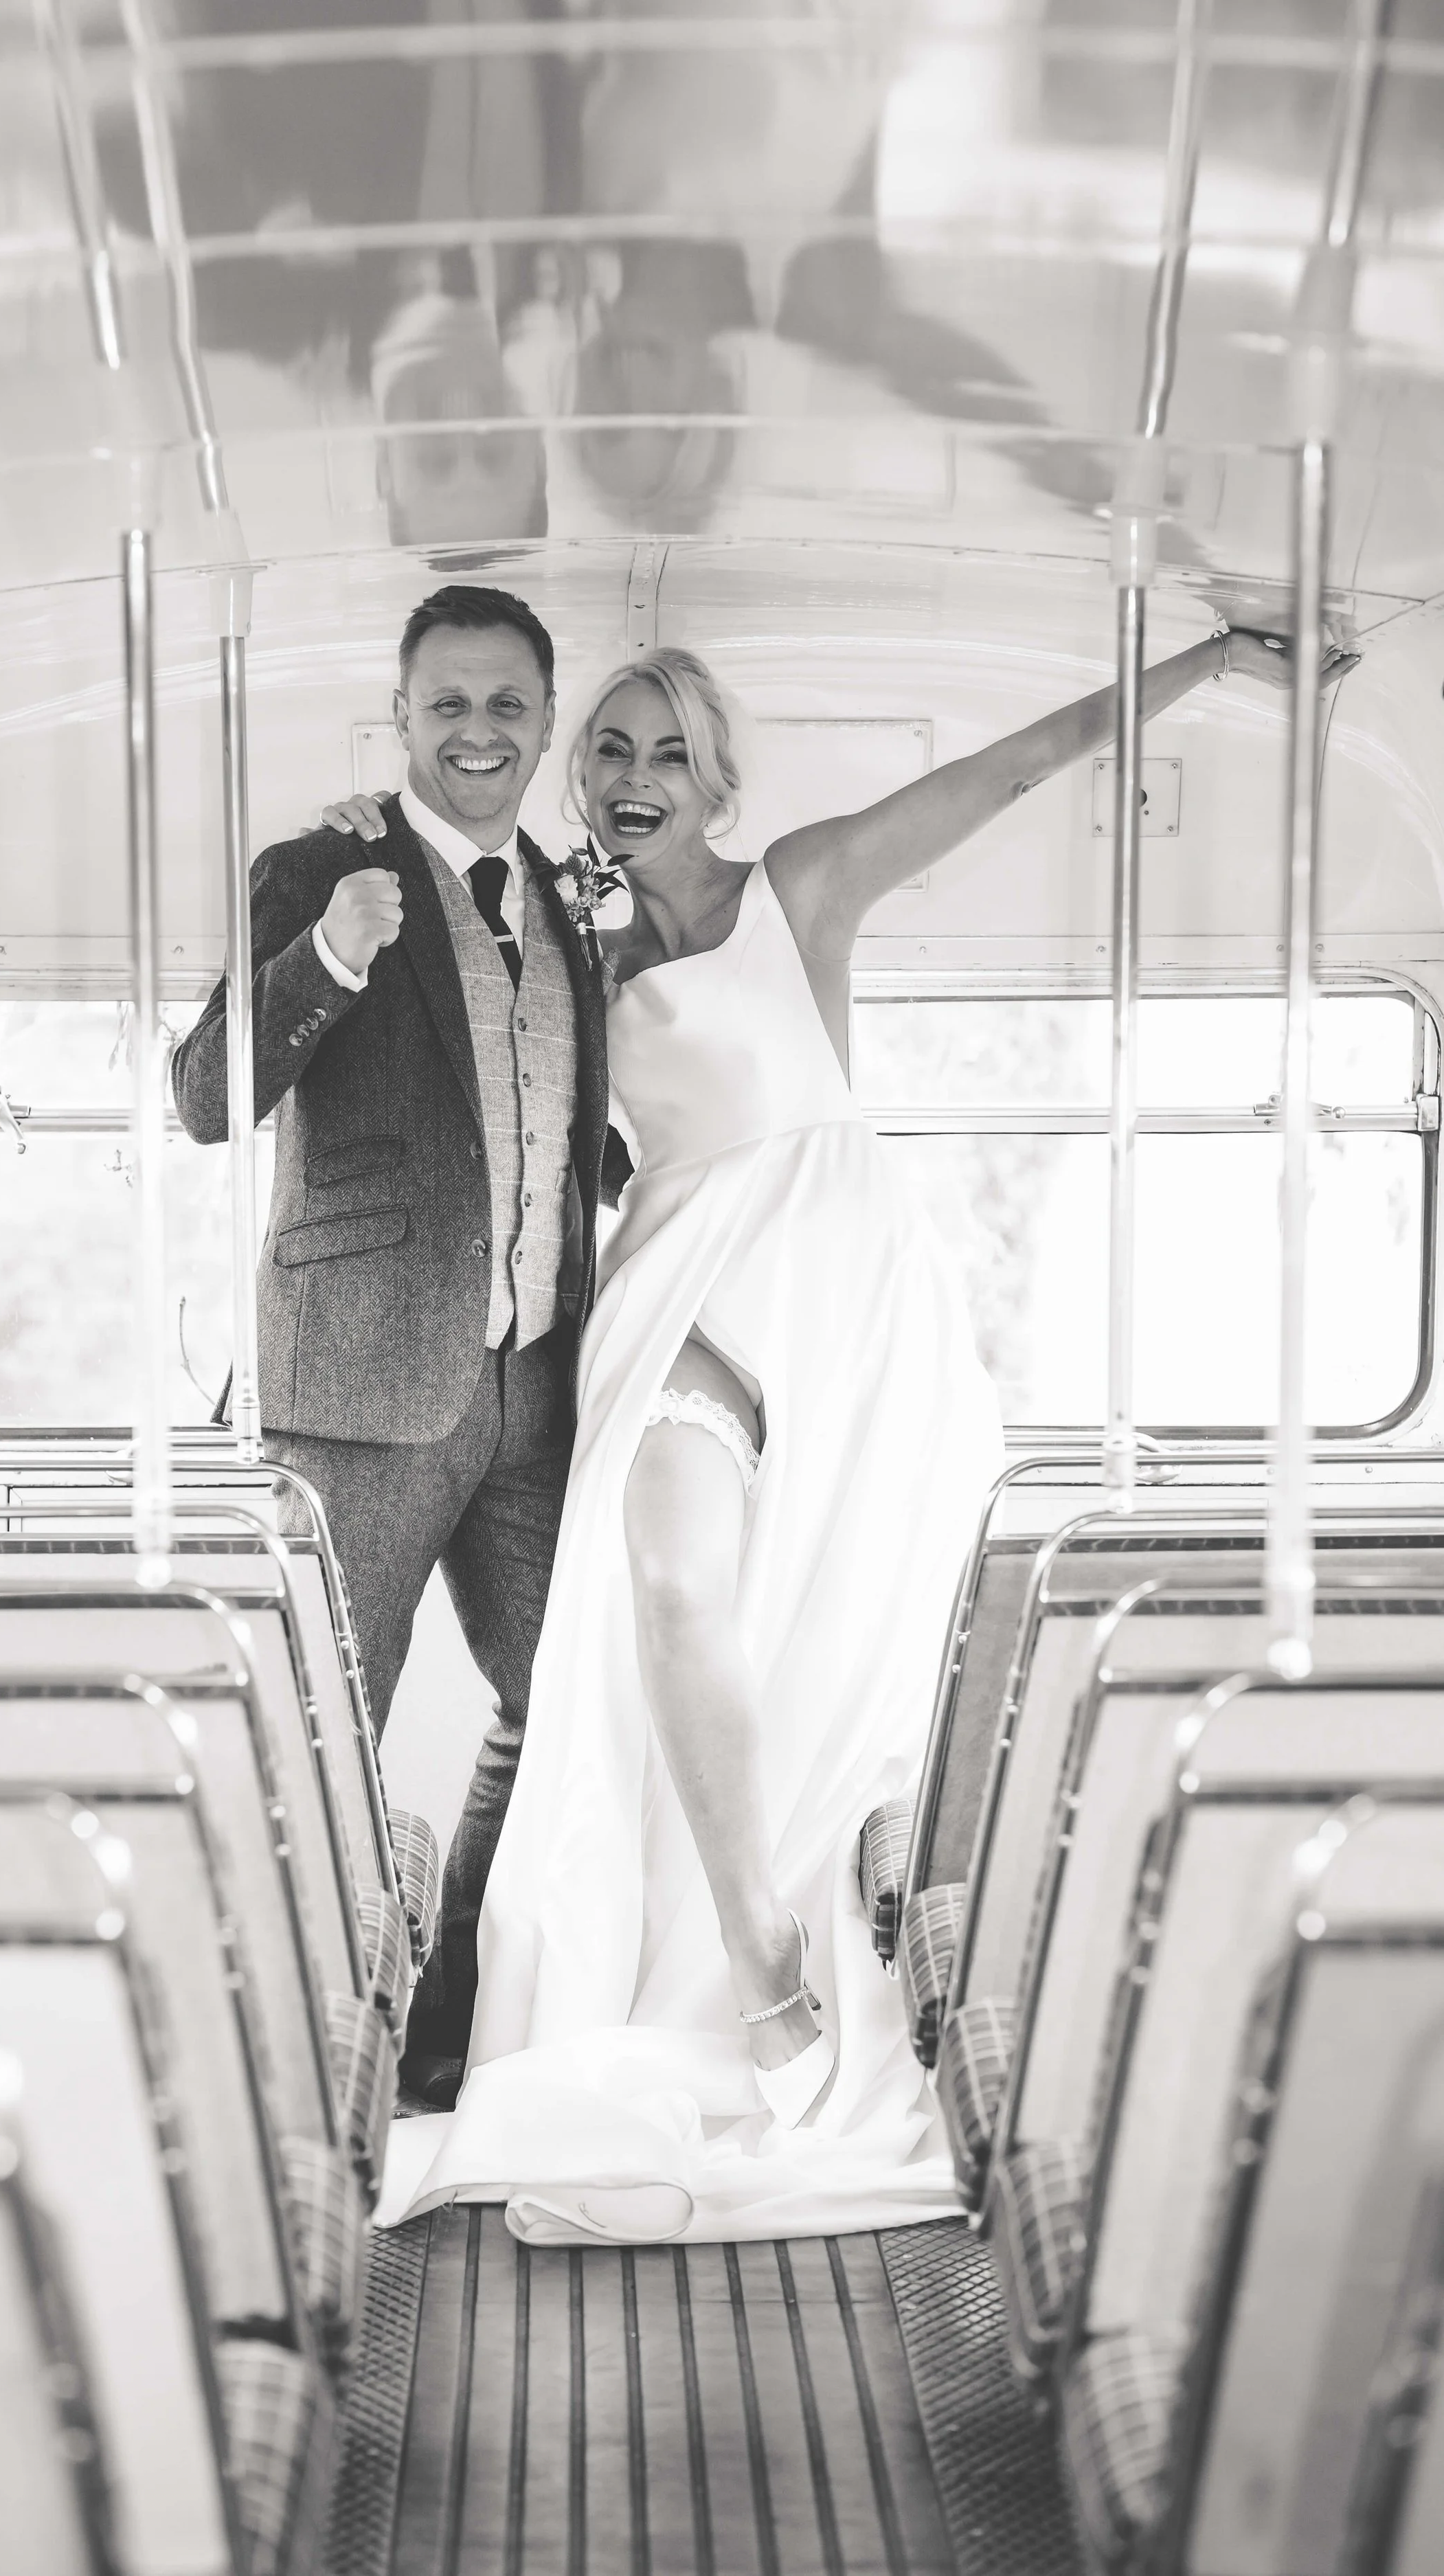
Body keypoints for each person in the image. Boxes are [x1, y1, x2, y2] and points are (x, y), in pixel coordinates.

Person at [323, 622, 1328, 2242]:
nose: (632, 779)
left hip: (837, 1280)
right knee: (665, 1591)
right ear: (576, 780)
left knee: (830, 1640)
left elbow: (1012, 769)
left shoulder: (798, 888)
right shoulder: (571, 954)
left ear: (714, 781)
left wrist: (1202, 658)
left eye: (665, 754)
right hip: (676, 1286)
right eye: (610, 751)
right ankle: (753, 1940)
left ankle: (821, 1945)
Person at [171, 584, 613, 2105]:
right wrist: (330, 961)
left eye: (505, 707)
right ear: (403, 715)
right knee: (319, 1727)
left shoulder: (563, 897)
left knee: (566, 1693)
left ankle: (440, 2021)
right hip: (352, 1391)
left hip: (537, 1386)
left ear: (543, 723)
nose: (476, 733)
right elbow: (205, 1097)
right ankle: (289, 2062)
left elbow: (550, 1136)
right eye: (447, 706)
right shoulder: (322, 865)